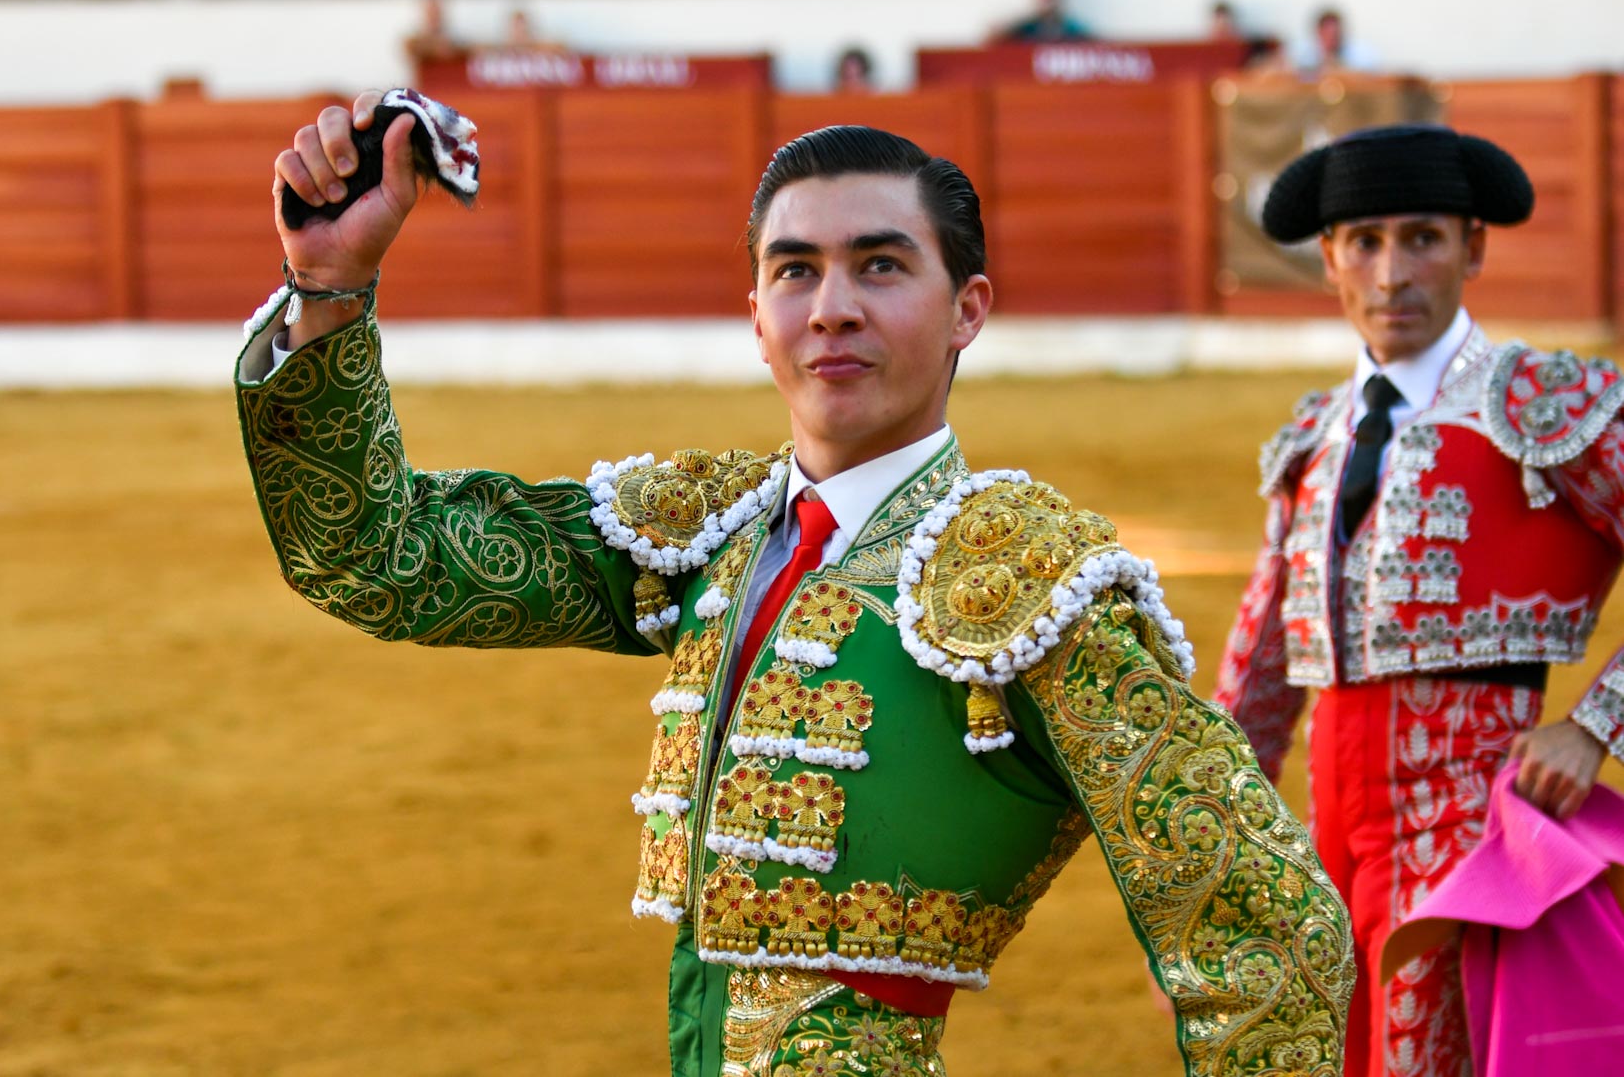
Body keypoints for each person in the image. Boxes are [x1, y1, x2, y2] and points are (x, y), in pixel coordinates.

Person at [239, 99, 1353, 1075]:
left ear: (966, 310)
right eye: (794, 270)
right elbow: (380, 556)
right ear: (756, 317)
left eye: (879, 265)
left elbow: (1267, 928)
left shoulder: (1034, 587)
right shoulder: (705, 533)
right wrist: (327, 287)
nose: (831, 307)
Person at [1216, 123, 1624, 1077]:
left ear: (1472, 248)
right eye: (1365, 242)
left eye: (1423, 238)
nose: (1393, 272)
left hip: (1474, 815)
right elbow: (1260, 672)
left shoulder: (1542, 402)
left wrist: (1595, 726)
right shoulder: (1315, 434)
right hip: (1328, 829)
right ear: (1330, 261)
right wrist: (1216, 865)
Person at [1291, 8, 1379, 76]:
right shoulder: (1303, 55)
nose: (1331, 40)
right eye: (1327, 35)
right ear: (1318, 33)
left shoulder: (1359, 54)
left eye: (1335, 35)